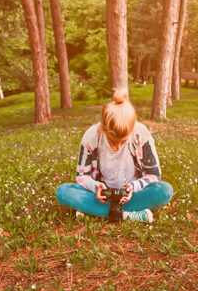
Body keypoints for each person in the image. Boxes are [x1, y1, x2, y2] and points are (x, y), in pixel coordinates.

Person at [54, 94, 172, 222]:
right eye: (113, 141)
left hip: (134, 195)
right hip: (102, 196)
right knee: (63, 191)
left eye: (123, 141)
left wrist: (134, 186)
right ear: (104, 129)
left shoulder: (142, 134)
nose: (117, 146)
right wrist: (96, 187)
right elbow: (82, 176)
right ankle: (127, 215)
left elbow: (154, 175)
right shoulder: (91, 136)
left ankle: (94, 212)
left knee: (165, 190)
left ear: (132, 130)